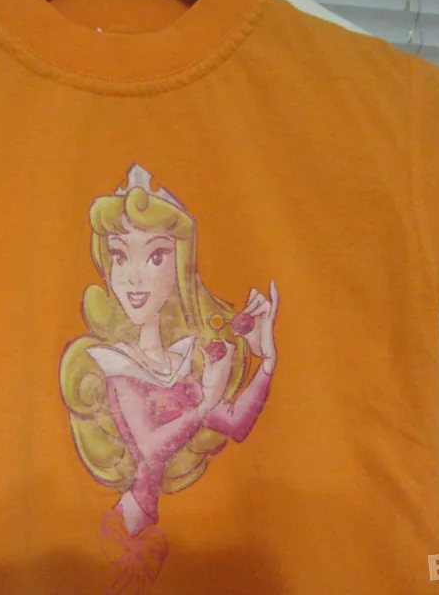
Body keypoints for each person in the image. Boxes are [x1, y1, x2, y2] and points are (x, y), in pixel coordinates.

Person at [60, 164, 279, 591]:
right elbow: (149, 449)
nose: (132, 276)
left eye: (155, 255)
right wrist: (204, 403)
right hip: (123, 531)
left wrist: (266, 358)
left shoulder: (183, 363)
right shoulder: (116, 364)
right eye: (119, 256)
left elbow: (236, 424)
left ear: (180, 267)